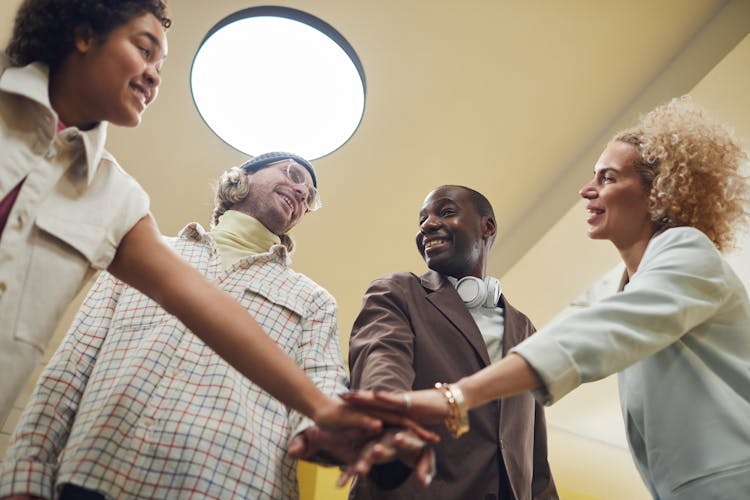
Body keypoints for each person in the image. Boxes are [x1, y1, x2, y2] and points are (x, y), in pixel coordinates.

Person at [0, 0, 380, 433]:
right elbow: (68, 370)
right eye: (145, 51)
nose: (154, 76)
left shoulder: (114, 199)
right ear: (84, 35)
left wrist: (324, 408)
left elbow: (203, 305)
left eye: (160, 65)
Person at [345, 98, 750, 499]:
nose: (586, 190)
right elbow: (569, 333)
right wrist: (393, 417)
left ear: (658, 192)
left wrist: (455, 395)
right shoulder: (614, 286)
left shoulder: (688, 251)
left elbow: (588, 337)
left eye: (607, 178)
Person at [0, 153, 436, 499]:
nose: (302, 192)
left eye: (308, 195)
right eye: (291, 174)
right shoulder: (143, 255)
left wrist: (338, 433)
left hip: (232, 485)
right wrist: (25, 474)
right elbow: (72, 365)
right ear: (240, 178)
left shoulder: (312, 299)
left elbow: (322, 385)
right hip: (93, 477)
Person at [345, 185, 557, 499]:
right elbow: (381, 364)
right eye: (422, 219)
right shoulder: (399, 293)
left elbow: (534, 453)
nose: (427, 225)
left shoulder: (525, 330)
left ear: (488, 227)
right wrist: (391, 422)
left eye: (445, 212)